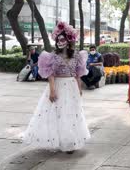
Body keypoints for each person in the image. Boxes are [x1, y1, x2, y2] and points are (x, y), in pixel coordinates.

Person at [22, 21, 90, 154]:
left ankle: (69, 141)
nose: (60, 42)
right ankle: (59, 141)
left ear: (69, 40)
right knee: (58, 114)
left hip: (71, 87)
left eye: (63, 39)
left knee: (71, 113)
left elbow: (77, 74)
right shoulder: (52, 56)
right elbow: (50, 75)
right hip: (58, 85)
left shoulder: (77, 55)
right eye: (58, 39)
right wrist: (52, 91)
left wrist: (79, 88)